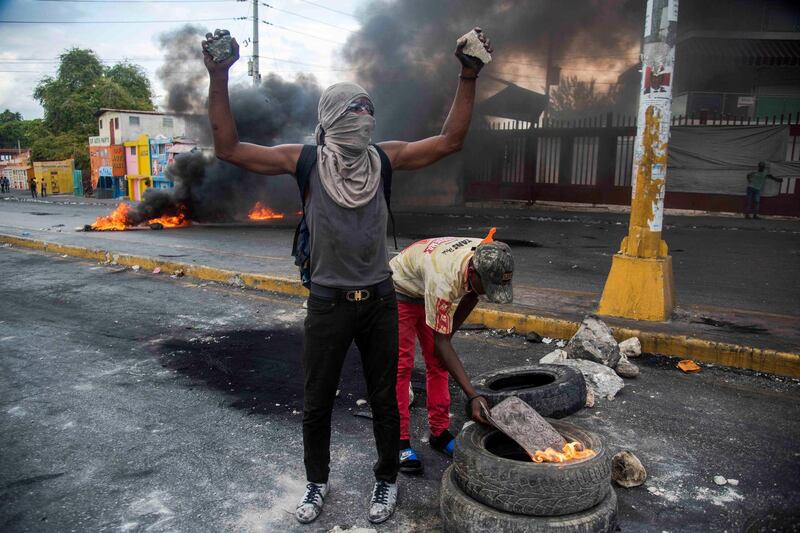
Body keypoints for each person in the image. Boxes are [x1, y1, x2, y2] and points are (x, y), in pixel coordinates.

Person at [202, 27, 493, 525]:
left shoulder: (384, 158)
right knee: (317, 402)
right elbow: (229, 148)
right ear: (330, 117)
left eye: (368, 109)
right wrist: (219, 75)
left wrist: (468, 74)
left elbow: (450, 141)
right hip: (328, 303)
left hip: (379, 301)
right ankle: (317, 482)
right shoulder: (307, 160)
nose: (364, 117)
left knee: (387, 401)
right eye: (353, 109)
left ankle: (385, 481)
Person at [390, 229, 513, 474]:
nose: (488, 293)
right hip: (401, 290)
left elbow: (473, 294)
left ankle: (439, 432)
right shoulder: (444, 279)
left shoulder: (490, 254)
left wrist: (445, 336)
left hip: (428, 284)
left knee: (438, 363)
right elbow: (442, 341)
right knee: (401, 366)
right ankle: (399, 441)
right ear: (473, 272)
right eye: (486, 285)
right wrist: (472, 395)